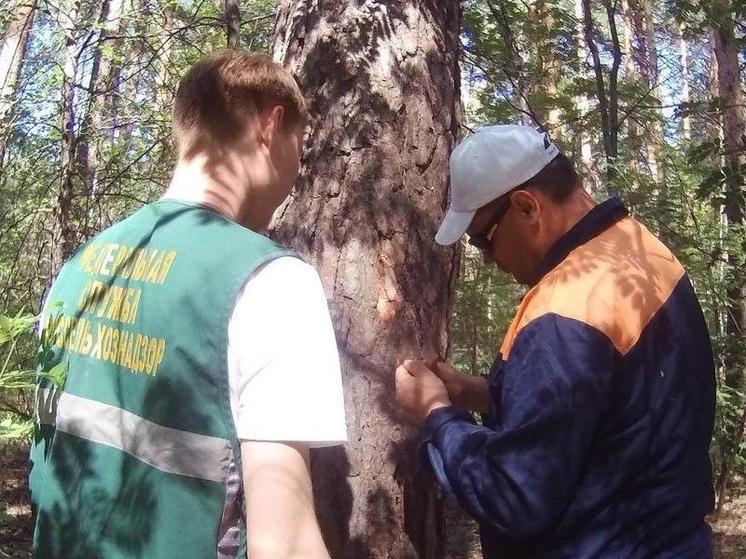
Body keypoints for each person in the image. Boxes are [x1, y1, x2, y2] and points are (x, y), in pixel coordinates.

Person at [30, 50, 346, 559]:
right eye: (299, 148)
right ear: (270, 124)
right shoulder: (271, 281)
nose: (296, 173)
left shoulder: (80, 267)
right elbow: (283, 543)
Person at [395, 125, 716, 558]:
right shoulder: (642, 250)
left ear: (526, 207)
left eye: (482, 240)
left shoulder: (564, 312)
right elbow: (607, 410)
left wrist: (437, 416)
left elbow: (514, 496)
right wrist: (477, 394)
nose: (488, 260)